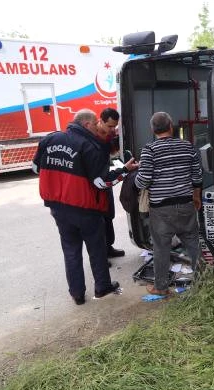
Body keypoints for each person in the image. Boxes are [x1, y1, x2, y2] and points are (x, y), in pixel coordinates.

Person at [32, 109, 139, 305]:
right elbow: (102, 183)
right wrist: (124, 171)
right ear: (88, 124)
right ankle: (102, 287)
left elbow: (36, 167)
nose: (98, 127)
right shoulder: (90, 146)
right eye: (96, 124)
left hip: (58, 207)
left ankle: (77, 294)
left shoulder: (50, 138)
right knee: (96, 248)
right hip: (85, 209)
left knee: (70, 250)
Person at [135, 111, 203, 296]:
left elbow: (143, 181)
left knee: (161, 248)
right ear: (171, 127)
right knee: (193, 243)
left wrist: (138, 174)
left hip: (161, 209)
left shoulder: (149, 150)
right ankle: (205, 280)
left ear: (152, 129)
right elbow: (197, 176)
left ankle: (161, 287)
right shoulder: (187, 147)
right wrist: (196, 197)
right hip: (186, 204)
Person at [96, 108, 126, 259]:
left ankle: (108, 247)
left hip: (106, 176)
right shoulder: (92, 137)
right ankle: (100, 255)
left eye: (114, 126)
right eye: (109, 126)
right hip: (95, 182)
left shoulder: (110, 134)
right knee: (98, 220)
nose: (112, 129)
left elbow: (114, 153)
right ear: (100, 121)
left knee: (109, 215)